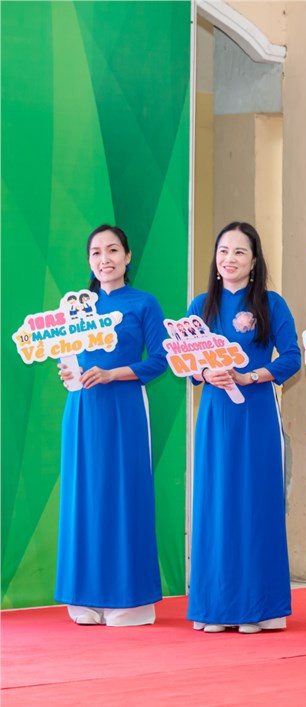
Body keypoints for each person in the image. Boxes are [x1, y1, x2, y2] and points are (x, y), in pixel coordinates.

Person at [186, 222, 300, 635]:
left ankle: (259, 606)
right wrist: (204, 372)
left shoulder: (271, 304)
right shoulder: (200, 305)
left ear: (254, 261)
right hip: (216, 416)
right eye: (223, 251)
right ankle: (214, 606)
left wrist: (251, 376)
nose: (229, 259)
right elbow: (186, 363)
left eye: (239, 251)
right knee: (215, 504)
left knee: (255, 502)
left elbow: (292, 357)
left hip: (256, 415)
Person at [55, 225, 168, 626]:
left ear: (128, 256)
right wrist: (68, 371)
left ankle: (129, 598)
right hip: (83, 409)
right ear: (89, 261)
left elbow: (160, 360)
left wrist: (111, 374)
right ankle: (83, 596)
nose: (105, 259)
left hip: (125, 408)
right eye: (96, 253)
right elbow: (68, 356)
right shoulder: (75, 309)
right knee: (83, 496)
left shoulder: (144, 303)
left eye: (113, 250)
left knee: (124, 494)